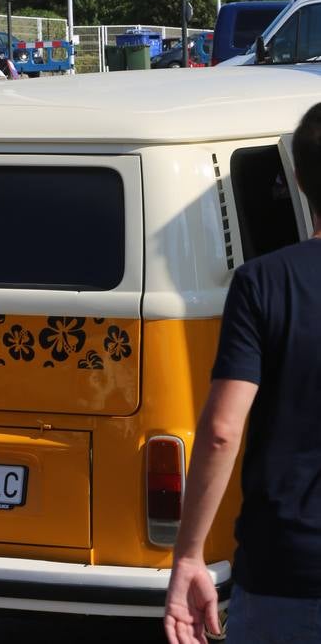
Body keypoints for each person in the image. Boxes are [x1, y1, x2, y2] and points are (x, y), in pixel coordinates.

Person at [164, 102, 321, 644]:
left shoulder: (264, 282)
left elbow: (221, 431)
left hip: (285, 572)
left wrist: (189, 555)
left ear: (298, 180)